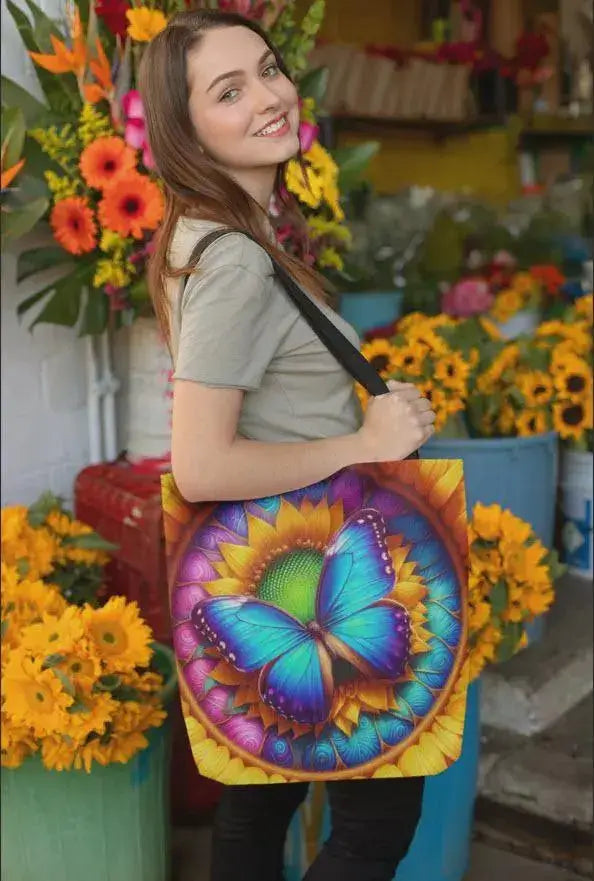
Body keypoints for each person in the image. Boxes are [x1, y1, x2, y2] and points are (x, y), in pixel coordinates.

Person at [139, 10, 436, 881]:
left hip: (279, 572)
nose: (271, 96)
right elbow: (201, 463)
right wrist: (365, 439)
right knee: (378, 813)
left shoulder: (217, 238)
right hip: (307, 576)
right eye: (229, 91)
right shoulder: (232, 259)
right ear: (185, 129)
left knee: (261, 797)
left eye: (269, 70)